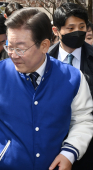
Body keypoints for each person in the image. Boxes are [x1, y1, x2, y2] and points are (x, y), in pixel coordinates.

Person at [0, 8, 93, 170]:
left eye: (21, 48)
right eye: (9, 46)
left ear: (44, 45)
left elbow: (83, 120)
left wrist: (69, 153)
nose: (13, 55)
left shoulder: (72, 77)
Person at [49, 3, 93, 170]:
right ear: (56, 31)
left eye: (81, 27)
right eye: (71, 28)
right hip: (52, 146)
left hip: (88, 148)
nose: (77, 32)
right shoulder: (44, 61)